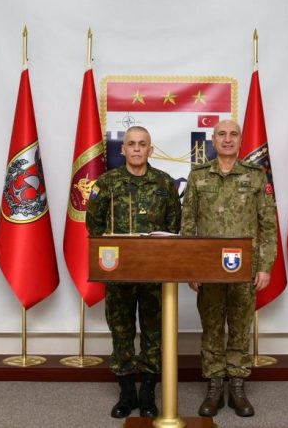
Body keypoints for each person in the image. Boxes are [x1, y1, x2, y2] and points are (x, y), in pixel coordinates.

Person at [181, 119, 277, 417]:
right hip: (208, 268)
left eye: (233, 134)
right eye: (221, 134)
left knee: (239, 327)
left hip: (244, 268)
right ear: (213, 140)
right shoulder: (198, 176)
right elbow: (188, 225)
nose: (227, 139)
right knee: (211, 327)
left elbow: (268, 225)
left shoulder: (255, 175)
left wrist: (265, 266)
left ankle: (236, 387)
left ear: (240, 140)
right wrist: (191, 267)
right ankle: (214, 387)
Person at [86, 126, 182, 418]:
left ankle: (148, 395)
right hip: (119, 274)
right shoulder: (107, 183)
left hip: (154, 274)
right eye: (131, 144)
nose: (137, 149)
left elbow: (173, 226)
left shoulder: (164, 183)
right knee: (122, 331)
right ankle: (127, 394)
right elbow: (94, 225)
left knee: (154, 333)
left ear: (150, 150)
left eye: (142, 144)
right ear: (123, 149)